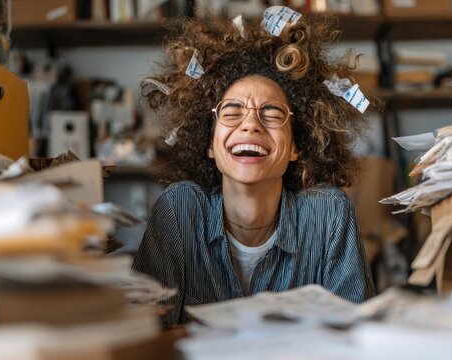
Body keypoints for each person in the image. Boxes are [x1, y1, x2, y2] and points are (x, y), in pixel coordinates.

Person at [133, 7, 376, 327]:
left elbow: (355, 338)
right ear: (209, 143)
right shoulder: (178, 210)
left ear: (295, 146)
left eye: (272, 113)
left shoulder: (329, 214)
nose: (250, 124)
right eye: (232, 111)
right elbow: (146, 335)